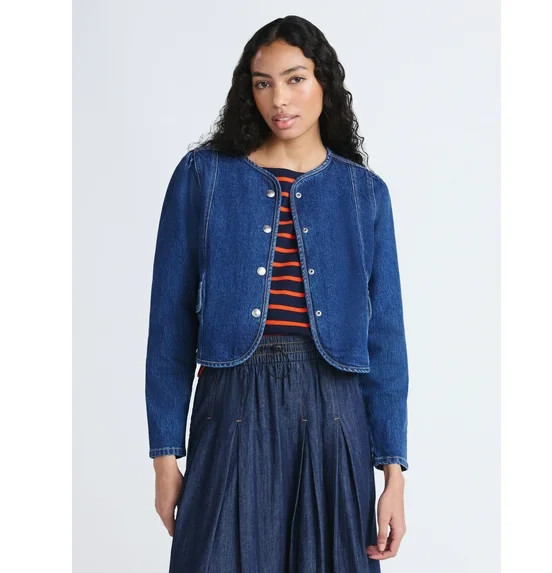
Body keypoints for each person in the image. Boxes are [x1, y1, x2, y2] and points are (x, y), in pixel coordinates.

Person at [145, 15, 409, 573]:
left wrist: (393, 474)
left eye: (295, 79)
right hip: (231, 404)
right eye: (263, 83)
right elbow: (169, 323)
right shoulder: (203, 177)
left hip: (334, 412)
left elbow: (386, 339)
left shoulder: (365, 194)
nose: (279, 99)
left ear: (324, 83)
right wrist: (165, 457)